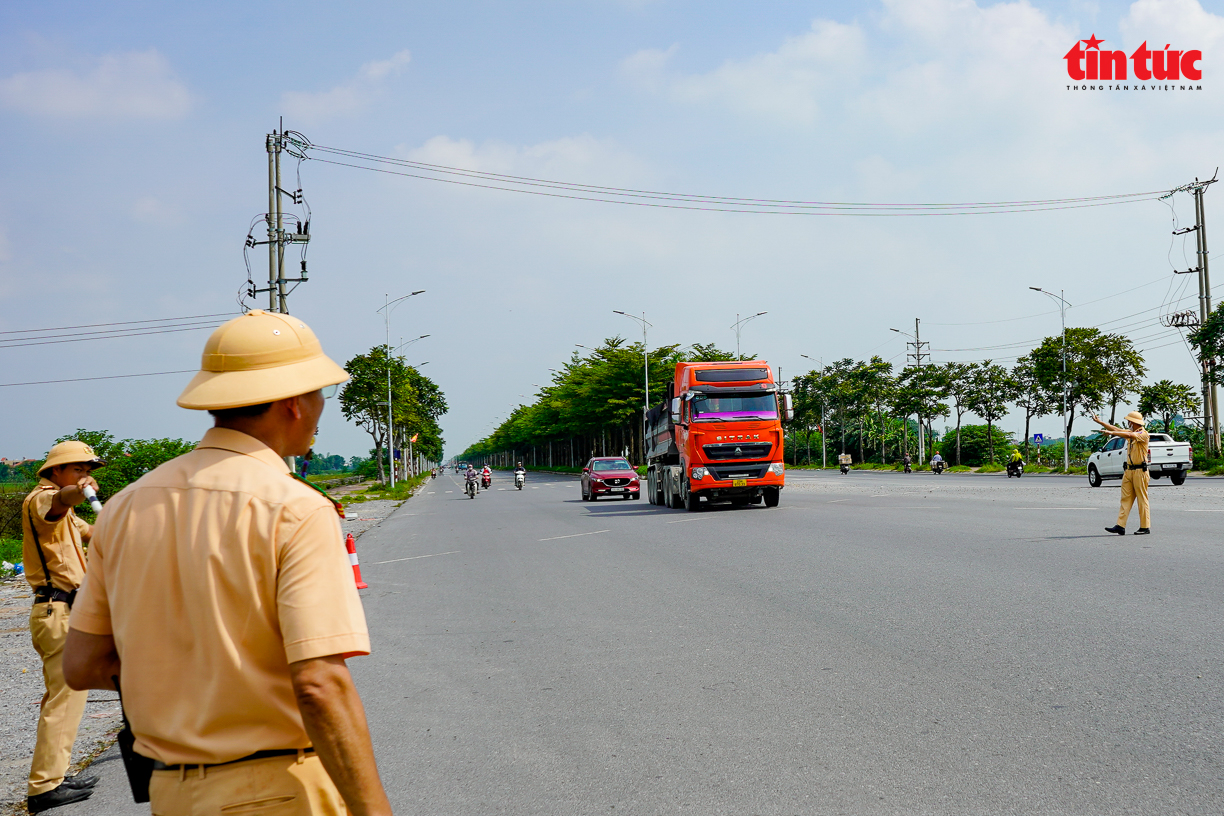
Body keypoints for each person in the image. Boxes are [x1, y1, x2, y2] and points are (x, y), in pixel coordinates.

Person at [62, 310, 392, 816]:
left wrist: (184, 680)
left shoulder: (126, 506)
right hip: (278, 790)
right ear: (294, 402)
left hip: (172, 794)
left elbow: (83, 665)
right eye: (321, 392)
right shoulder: (295, 508)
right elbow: (319, 684)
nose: (324, 406)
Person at [22, 440, 106, 813]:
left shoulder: (68, 511)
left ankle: (55, 774)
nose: (85, 476)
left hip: (68, 612)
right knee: (65, 698)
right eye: (78, 469)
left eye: (88, 470)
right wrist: (77, 491)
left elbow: (93, 532)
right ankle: (44, 787)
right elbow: (61, 503)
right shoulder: (42, 499)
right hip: (58, 612)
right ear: (55, 472)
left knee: (62, 699)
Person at [1095, 411, 1151, 535]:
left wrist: (1111, 433)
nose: (1128, 423)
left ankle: (1145, 527)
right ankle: (1120, 525)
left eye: (1129, 421)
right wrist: (1101, 422)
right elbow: (1117, 429)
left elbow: (1129, 435)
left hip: (1140, 471)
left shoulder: (1143, 434)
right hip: (1129, 471)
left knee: (1142, 499)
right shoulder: (1131, 433)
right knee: (1125, 499)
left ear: (1134, 422)